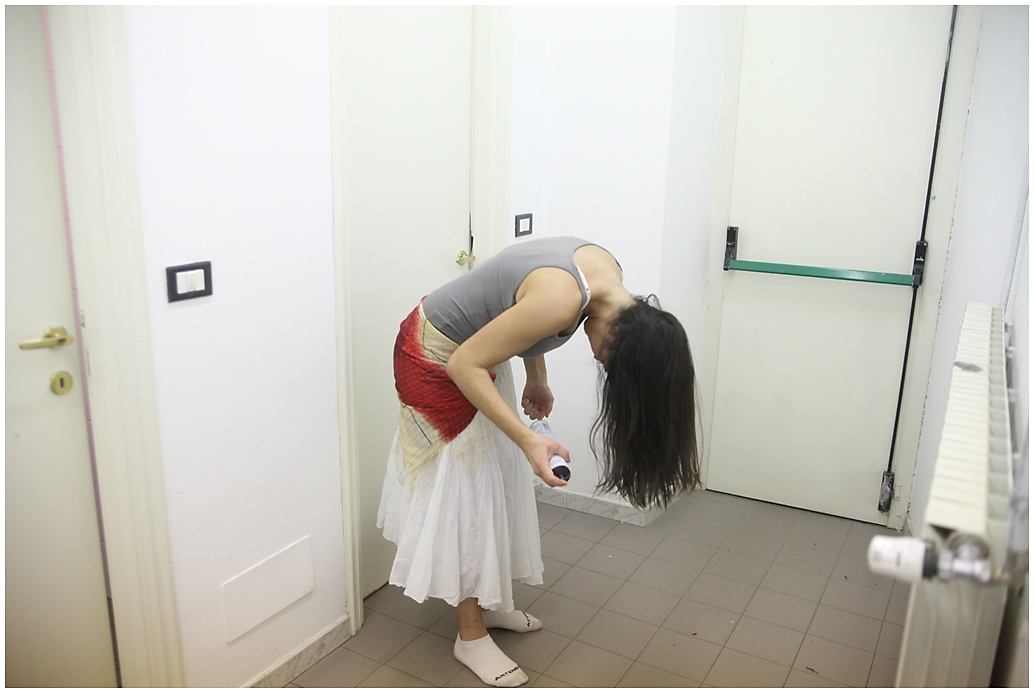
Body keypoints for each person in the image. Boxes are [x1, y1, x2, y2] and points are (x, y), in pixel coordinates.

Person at [377, 236, 698, 687]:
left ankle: (488, 601)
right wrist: (529, 440)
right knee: (465, 493)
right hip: (437, 354)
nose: (601, 362)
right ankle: (470, 636)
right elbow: (466, 363)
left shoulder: (605, 276)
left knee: (495, 478)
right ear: (621, 336)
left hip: (476, 350)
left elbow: (521, 307)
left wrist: (538, 377)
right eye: (612, 365)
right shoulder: (563, 299)